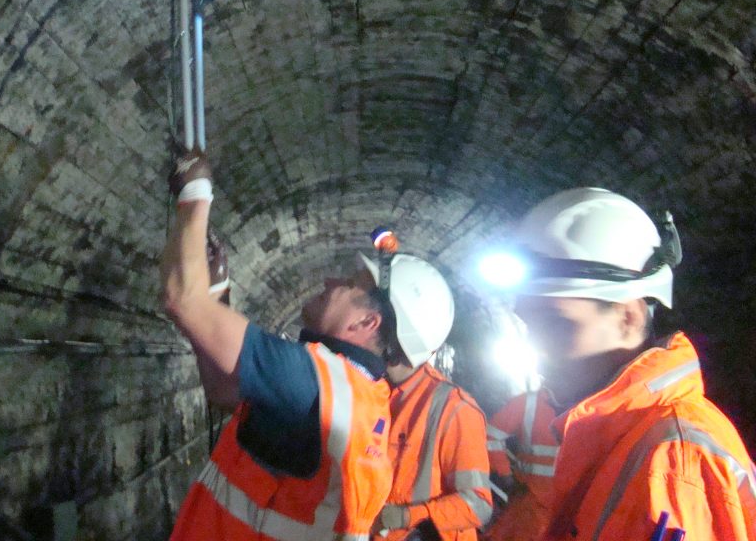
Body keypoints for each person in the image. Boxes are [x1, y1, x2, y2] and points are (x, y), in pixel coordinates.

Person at [162, 153, 404, 540]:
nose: (329, 282)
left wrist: (196, 190)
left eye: (348, 285)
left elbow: (182, 301)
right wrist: (217, 292)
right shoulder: (360, 396)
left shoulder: (312, 379)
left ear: (366, 323)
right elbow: (225, 388)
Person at [495, 187, 756, 540]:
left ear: (628, 317)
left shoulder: (672, 461)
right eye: (528, 323)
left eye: (557, 323)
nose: (534, 344)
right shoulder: (617, 436)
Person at [367, 254, 494, 541]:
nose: (366, 323)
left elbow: (478, 504)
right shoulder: (372, 391)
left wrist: (405, 517)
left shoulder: (453, 409)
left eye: (375, 319)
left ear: (398, 336)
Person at [484, 388, 559, 541]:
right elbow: (489, 436)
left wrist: (506, 478)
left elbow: (490, 436)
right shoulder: (591, 404)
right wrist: (506, 476)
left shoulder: (528, 402)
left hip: (530, 503)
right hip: (535, 506)